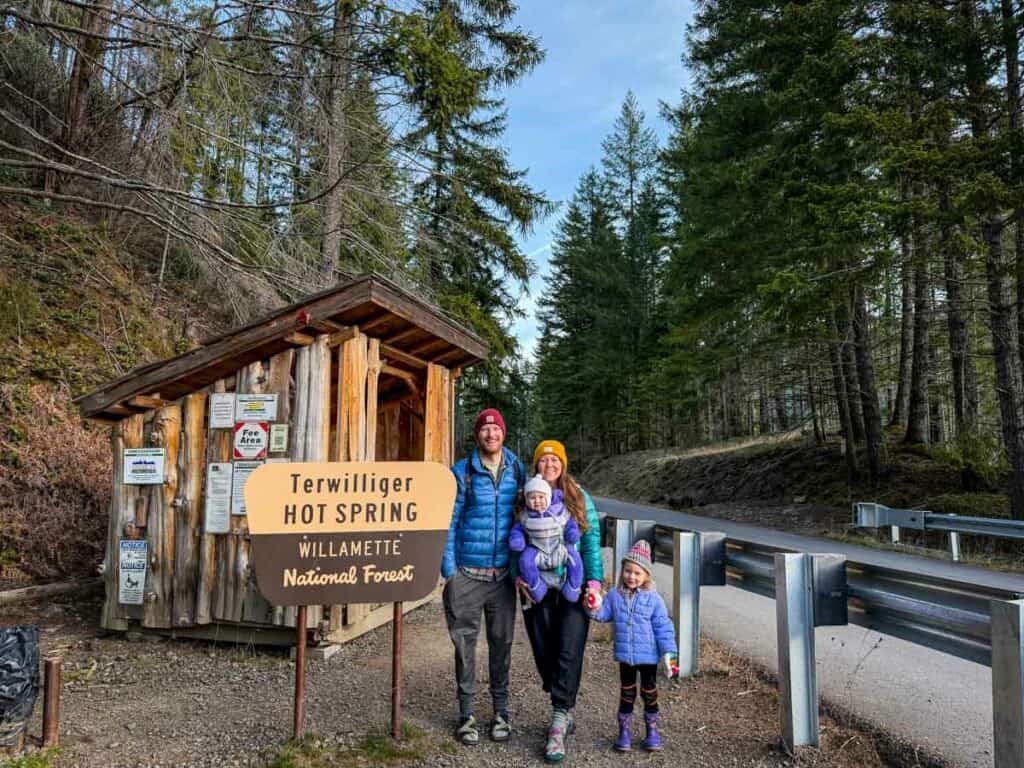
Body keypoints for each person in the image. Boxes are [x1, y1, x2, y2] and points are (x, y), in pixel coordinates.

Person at [441, 408, 524, 746]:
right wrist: (449, 571)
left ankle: (500, 712)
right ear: (477, 435)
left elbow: (526, 514)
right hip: (467, 576)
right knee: (464, 648)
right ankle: (467, 715)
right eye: (485, 429)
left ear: (503, 433)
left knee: (502, 646)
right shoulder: (463, 472)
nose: (491, 434)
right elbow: (449, 520)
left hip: (503, 577)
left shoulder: (517, 469)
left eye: (496, 428)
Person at [517, 439, 603, 763]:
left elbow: (592, 540)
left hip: (572, 581)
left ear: (563, 464)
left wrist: (594, 581)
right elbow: (515, 539)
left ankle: (559, 716)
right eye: (543, 460)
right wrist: (517, 576)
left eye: (555, 460)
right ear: (536, 465)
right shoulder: (525, 497)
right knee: (543, 648)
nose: (549, 465)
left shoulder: (578, 496)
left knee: (569, 645)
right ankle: (561, 701)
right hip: (536, 583)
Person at [588, 539, 678, 752]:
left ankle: (652, 730)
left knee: (649, 692)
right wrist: (592, 605)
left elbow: (663, 626)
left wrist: (670, 653)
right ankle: (624, 731)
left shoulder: (654, 599)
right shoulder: (614, 596)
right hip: (626, 657)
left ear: (646, 575)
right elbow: (603, 615)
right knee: (626, 693)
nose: (632, 577)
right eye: (628, 571)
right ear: (622, 571)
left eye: (637, 573)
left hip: (648, 657)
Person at [510, 474, 584, 603]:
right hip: (537, 550)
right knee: (525, 561)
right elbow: (517, 530)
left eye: (541, 497)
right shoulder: (525, 516)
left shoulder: (559, 510)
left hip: (559, 547)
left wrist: (572, 532)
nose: (537, 501)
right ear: (526, 500)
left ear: (549, 497)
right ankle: (537, 587)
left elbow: (570, 522)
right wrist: (517, 540)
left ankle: (573, 588)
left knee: (575, 560)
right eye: (532, 498)